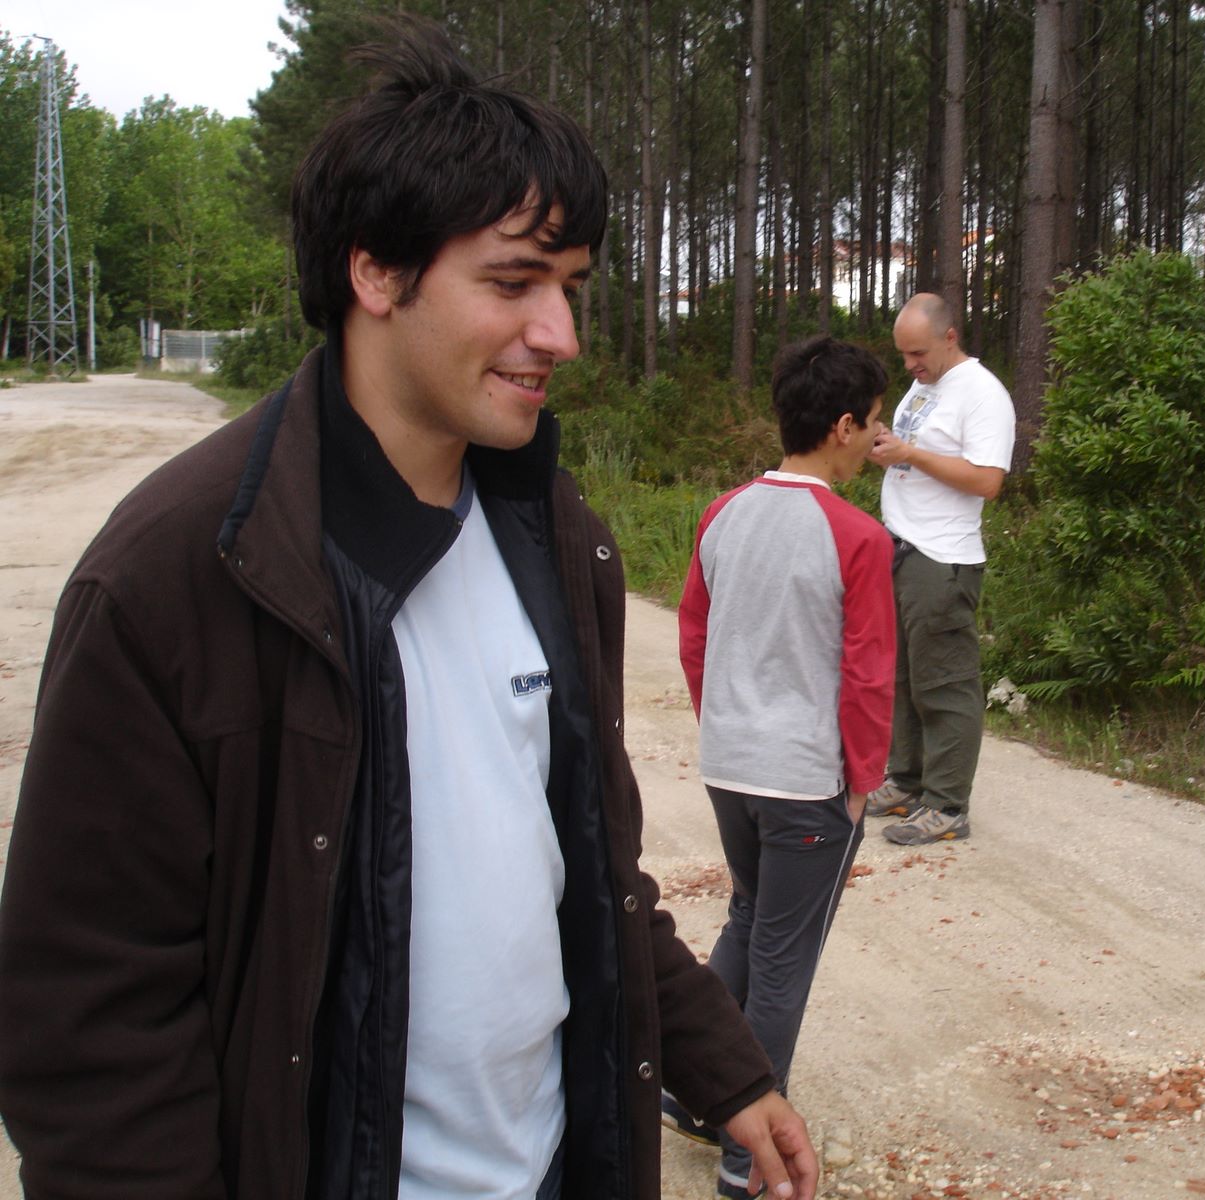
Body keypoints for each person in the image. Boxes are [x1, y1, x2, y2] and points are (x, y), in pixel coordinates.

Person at [0, 21, 815, 1200]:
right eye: (513, 282)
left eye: (571, 286)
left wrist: (724, 1066)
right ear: (375, 272)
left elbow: (592, 870)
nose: (561, 335)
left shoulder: (555, 534)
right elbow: (90, 1021)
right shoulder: (177, 574)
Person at [669, 337, 894, 1199]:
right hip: (806, 781)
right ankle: (747, 1160)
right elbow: (869, 671)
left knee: (750, 918)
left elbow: (695, 634)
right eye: (872, 425)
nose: (874, 440)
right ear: (842, 426)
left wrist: (723, 727)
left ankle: (694, 1095)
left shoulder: (723, 512)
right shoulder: (858, 536)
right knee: (783, 961)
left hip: (730, 766)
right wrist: (863, 780)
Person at [864, 293, 1016, 845]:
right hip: (901, 549)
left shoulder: (982, 393)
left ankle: (947, 805)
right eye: (903, 354)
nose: (910, 364)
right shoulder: (926, 385)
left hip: (942, 558)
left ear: (950, 337)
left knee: (945, 684)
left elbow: (988, 481)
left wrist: (909, 455)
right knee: (904, 678)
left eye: (918, 353)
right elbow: (916, 449)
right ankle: (907, 782)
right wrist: (887, 445)